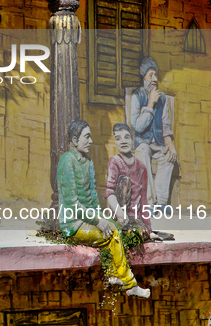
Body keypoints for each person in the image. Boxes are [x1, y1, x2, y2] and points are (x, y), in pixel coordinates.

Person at [57, 119, 150, 298]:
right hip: (73, 223)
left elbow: (92, 201)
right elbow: (73, 204)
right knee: (113, 234)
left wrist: (103, 219)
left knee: (115, 226)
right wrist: (98, 221)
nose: (90, 141)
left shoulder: (88, 162)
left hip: (88, 219)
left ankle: (114, 275)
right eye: (87, 137)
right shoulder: (66, 161)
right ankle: (130, 285)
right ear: (75, 140)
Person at [131, 57, 177, 210]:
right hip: (142, 142)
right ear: (143, 77)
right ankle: (148, 202)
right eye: (150, 75)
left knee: (169, 157)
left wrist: (169, 143)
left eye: (155, 75)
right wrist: (150, 104)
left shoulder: (162, 98)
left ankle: (161, 202)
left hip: (158, 142)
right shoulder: (136, 96)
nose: (154, 79)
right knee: (143, 151)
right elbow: (137, 126)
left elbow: (165, 124)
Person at [105, 122, 152, 238]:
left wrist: (148, 230)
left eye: (126, 137)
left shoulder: (141, 167)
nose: (123, 141)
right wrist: (120, 215)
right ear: (115, 142)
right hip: (120, 218)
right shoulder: (115, 161)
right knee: (124, 181)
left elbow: (144, 201)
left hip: (136, 221)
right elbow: (109, 192)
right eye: (118, 138)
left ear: (133, 140)